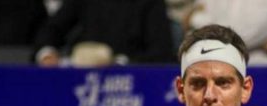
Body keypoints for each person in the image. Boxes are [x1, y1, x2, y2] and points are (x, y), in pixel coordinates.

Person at [34, 0, 175, 66]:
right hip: (81, 73)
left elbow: (161, 52)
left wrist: (121, 63)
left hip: (128, 82)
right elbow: (52, 29)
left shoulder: (151, 3)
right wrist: (47, 53)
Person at [184, 0, 267, 65]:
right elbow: (191, 36)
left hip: (265, 73)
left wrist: (195, 21)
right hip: (214, 68)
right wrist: (260, 43)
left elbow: (240, 36)